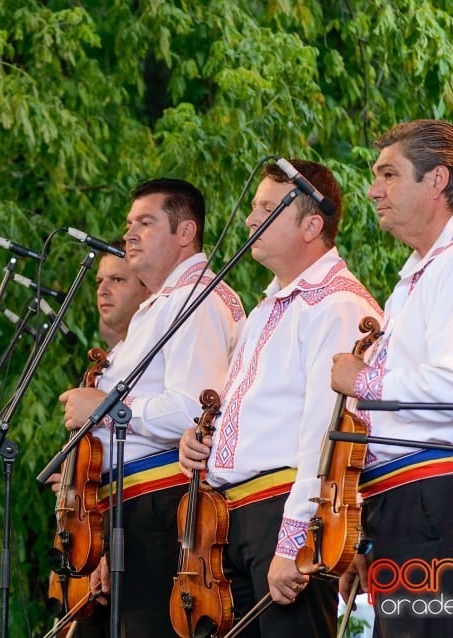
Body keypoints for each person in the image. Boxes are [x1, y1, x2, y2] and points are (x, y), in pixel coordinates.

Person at [332, 119, 453, 637]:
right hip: (414, 502)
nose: (373, 190)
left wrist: (365, 382)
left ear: (438, 179)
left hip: (437, 500)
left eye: (389, 174)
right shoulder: (426, 269)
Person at [178, 160, 381, 636]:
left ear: (312, 225)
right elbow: (245, 410)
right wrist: (199, 439)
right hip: (234, 520)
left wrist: (293, 542)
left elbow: (325, 440)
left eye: (267, 208)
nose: (250, 220)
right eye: (253, 207)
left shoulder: (339, 304)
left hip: (282, 511)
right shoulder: (266, 307)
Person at [59, 178, 245, 636]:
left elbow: (194, 409)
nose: (130, 235)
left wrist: (104, 408)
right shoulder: (160, 305)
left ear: (185, 233)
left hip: (164, 500)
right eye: (129, 224)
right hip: (133, 503)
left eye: (146, 222)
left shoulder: (194, 299)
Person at [47, 243, 150, 637]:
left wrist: (106, 543)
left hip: (133, 527)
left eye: (118, 279)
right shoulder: (108, 363)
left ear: (147, 289)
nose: (102, 290)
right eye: (99, 281)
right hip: (97, 531)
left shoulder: (149, 362)